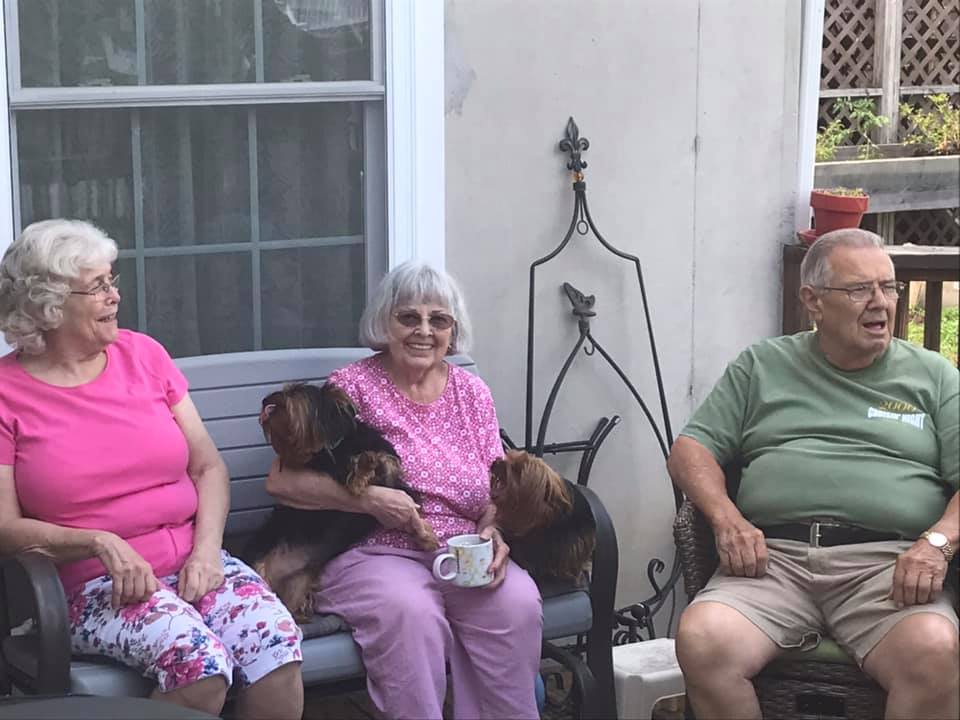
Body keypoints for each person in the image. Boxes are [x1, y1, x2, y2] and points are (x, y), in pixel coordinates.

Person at [0, 219, 303, 719]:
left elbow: (208, 468)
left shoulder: (144, 355)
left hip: (193, 561)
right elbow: (5, 529)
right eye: (97, 286)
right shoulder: (8, 393)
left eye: (112, 280)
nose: (114, 296)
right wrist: (99, 542)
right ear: (47, 305)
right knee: (200, 666)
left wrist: (207, 552)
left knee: (277, 647)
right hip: (91, 585)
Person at [668, 228, 959, 720]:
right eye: (859, 289)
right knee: (702, 639)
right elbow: (690, 449)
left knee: (932, 650)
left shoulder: (932, 375)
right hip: (771, 563)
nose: (881, 303)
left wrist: (937, 543)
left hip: (887, 569)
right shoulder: (763, 365)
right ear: (813, 301)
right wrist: (726, 519)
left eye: (888, 287)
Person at [267, 261, 543, 719]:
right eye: (408, 317)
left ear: (453, 332)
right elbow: (283, 479)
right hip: (371, 549)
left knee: (514, 603)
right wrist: (368, 498)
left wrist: (494, 529)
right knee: (411, 613)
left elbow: (496, 487)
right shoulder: (349, 389)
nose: (424, 331)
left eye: (439, 320)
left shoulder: (472, 394)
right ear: (384, 322)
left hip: (461, 547)